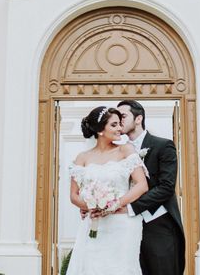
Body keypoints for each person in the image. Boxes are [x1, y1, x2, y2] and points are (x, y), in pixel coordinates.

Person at [66, 106, 149, 275]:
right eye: (114, 125)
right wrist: (91, 206)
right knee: (92, 268)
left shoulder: (126, 150)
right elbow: (74, 196)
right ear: (100, 130)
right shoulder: (82, 157)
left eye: (120, 124)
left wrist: (114, 205)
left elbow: (142, 185)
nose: (120, 128)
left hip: (123, 223)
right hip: (94, 222)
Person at [117, 100, 185, 275]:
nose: (119, 120)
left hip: (158, 224)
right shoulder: (117, 151)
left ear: (138, 118)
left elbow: (166, 187)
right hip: (124, 226)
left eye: (123, 116)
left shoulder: (163, 145)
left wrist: (130, 207)